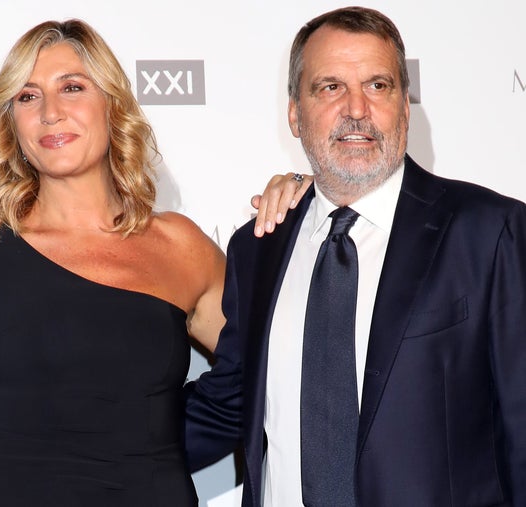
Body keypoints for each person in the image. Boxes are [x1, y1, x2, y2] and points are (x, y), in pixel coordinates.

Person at [0, 19, 301, 506]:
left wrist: (311, 210)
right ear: (12, 125)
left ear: (112, 104)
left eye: (72, 87)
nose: (50, 113)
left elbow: (278, 367)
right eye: (27, 96)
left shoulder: (180, 246)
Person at [185, 6, 526, 507]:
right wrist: (86, 447)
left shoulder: (489, 232)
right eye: (330, 87)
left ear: (405, 107)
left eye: (378, 85)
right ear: (294, 114)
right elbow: (230, 404)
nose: (357, 109)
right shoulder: (257, 247)